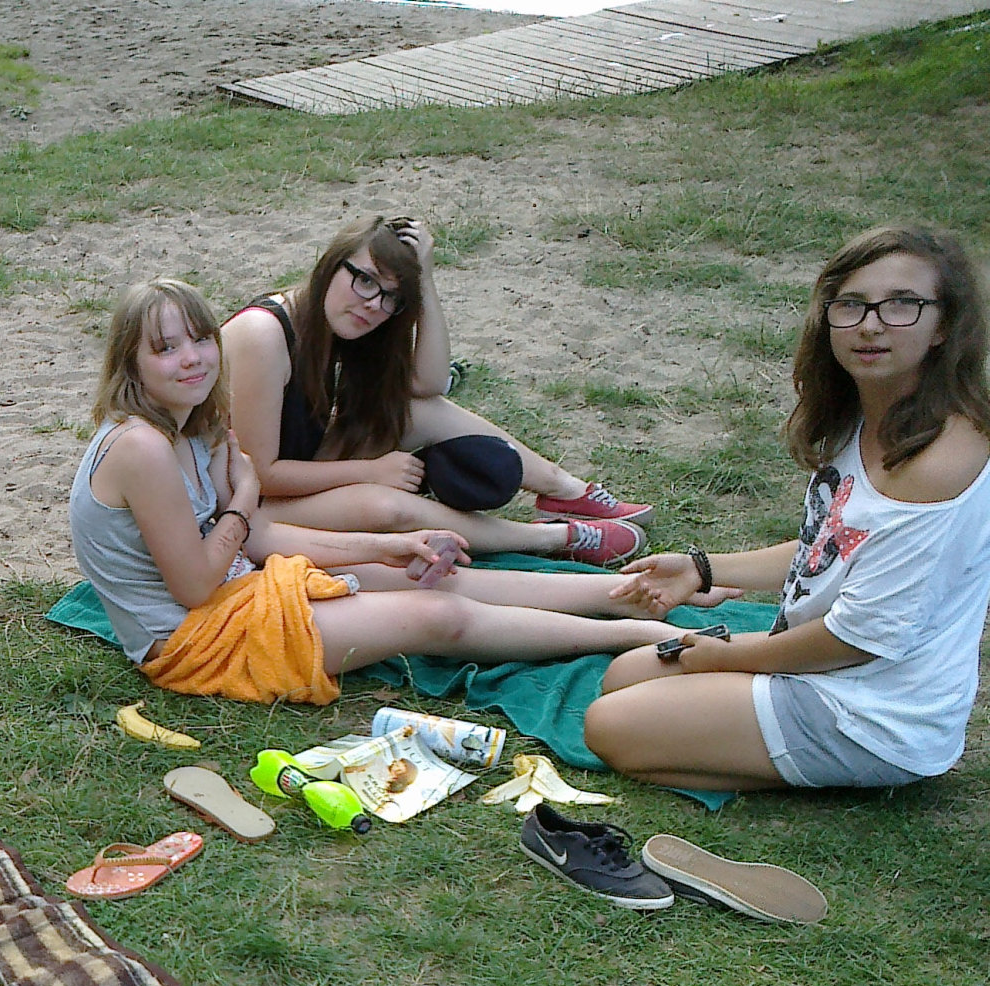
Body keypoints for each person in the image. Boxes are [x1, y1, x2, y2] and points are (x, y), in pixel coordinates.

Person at [70, 279, 699, 708]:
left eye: (201, 339)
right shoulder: (141, 447)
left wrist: (386, 547)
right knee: (438, 616)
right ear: (131, 364)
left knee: (430, 576)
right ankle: (633, 636)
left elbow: (259, 539)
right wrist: (243, 496)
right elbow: (194, 586)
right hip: (193, 639)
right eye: (166, 348)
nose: (192, 359)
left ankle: (636, 594)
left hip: (240, 587)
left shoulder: (197, 425)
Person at [587, 225, 990, 791]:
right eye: (851, 304)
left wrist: (726, 658)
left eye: (902, 304)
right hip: (827, 668)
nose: (871, 324)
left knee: (609, 724)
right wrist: (702, 569)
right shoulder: (865, 414)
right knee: (624, 675)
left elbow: (857, 639)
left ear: (944, 325)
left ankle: (815, 767)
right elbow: (833, 545)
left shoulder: (938, 463)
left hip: (874, 714)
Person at [222, 214, 652, 569]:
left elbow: (427, 384)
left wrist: (424, 280)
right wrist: (369, 471)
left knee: (417, 410)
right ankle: (553, 538)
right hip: (242, 509)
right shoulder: (263, 334)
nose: (374, 305)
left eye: (392, 298)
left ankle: (566, 492)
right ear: (331, 265)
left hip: (291, 476)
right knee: (387, 507)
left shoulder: (341, 322)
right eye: (365, 280)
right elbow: (261, 476)